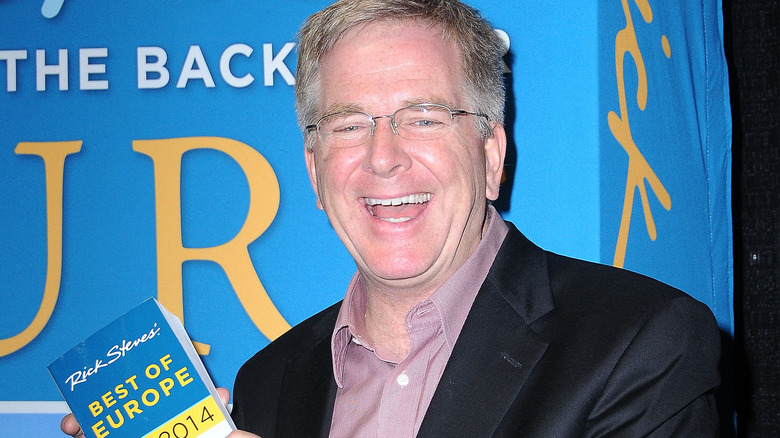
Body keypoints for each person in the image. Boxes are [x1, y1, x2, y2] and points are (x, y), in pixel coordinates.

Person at [63, 0, 721, 436]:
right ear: (315, 169)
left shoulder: (644, 344)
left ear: (491, 153)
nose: (383, 159)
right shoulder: (269, 383)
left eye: (424, 119)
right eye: (349, 125)